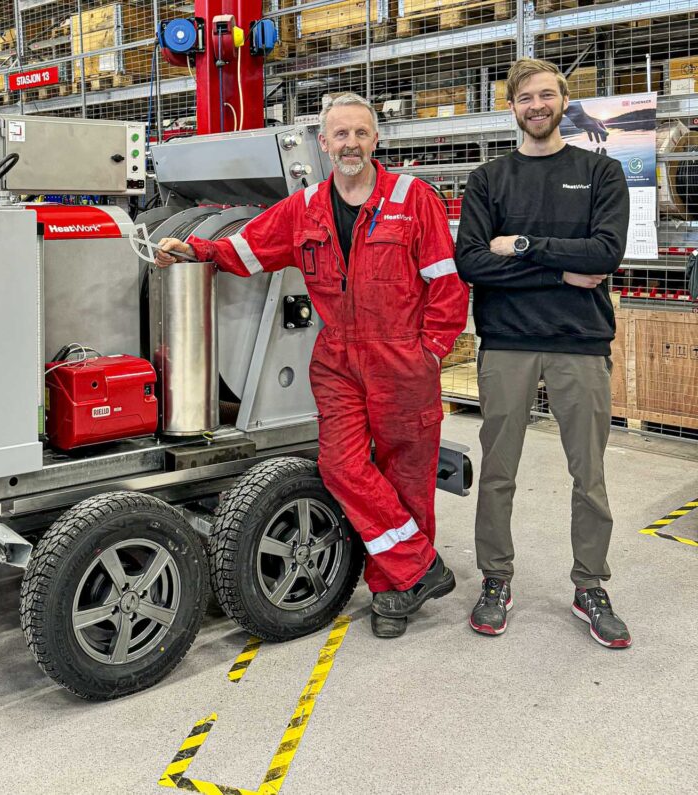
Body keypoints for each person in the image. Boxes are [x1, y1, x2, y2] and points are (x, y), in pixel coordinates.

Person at [156, 93, 469, 639]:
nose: (351, 144)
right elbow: (247, 249)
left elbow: (445, 282)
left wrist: (431, 353)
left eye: (361, 133)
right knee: (342, 467)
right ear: (323, 143)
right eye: (340, 135)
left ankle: (394, 591)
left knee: (406, 476)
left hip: (402, 360)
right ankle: (420, 566)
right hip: (339, 360)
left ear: (376, 140)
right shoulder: (305, 207)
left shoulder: (412, 198)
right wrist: (195, 251)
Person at [455, 58, 631, 648]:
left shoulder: (600, 172)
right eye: (526, 97)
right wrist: (561, 270)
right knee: (498, 473)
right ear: (512, 106)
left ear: (563, 101)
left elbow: (604, 254)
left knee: (590, 476)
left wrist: (524, 246)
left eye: (547, 95)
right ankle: (496, 579)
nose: (537, 106)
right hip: (507, 343)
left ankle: (590, 586)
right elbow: (472, 263)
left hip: (580, 343)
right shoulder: (488, 179)